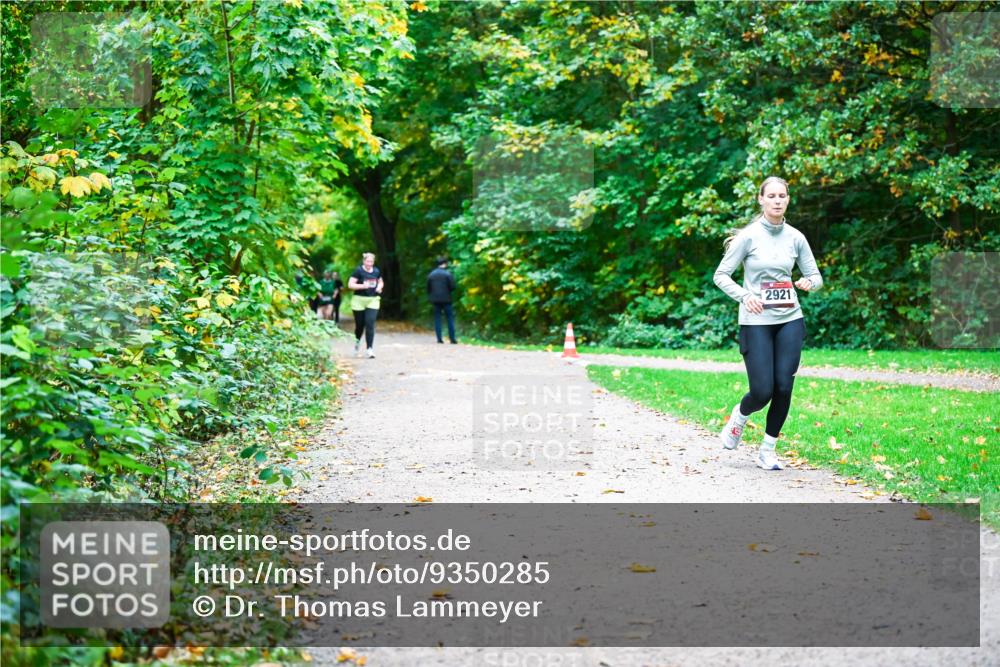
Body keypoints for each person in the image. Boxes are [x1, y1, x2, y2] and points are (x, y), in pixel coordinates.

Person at [713, 176, 823, 470]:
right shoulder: (748, 237)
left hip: (790, 318)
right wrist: (745, 295)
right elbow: (721, 275)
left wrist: (809, 283)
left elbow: (816, 276)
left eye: (782, 196)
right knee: (762, 391)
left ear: (788, 200)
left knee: (784, 387)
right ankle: (739, 416)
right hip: (756, 322)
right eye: (771, 196)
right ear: (761, 199)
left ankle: (767, 451)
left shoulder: (796, 237)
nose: (777, 200)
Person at [347, 252, 383, 358]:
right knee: (359, 326)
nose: (369, 264)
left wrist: (379, 287)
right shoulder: (358, 271)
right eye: (367, 261)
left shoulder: (376, 271)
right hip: (359, 300)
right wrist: (363, 286)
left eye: (371, 262)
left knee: (370, 323)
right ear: (364, 261)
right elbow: (350, 285)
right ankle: (357, 342)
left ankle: (369, 349)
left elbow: (381, 282)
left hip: (373, 300)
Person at [427, 256, 458, 344]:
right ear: (445, 264)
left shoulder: (431, 274)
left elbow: (428, 288)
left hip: (435, 300)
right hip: (447, 299)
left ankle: (439, 338)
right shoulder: (447, 274)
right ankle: (452, 338)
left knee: (437, 318)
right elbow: (453, 286)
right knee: (450, 318)